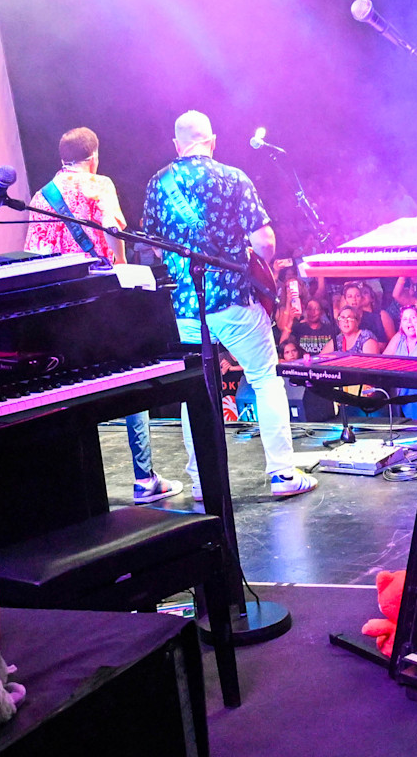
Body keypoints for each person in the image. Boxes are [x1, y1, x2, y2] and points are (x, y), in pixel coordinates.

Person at [138, 111, 313, 500]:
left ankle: (202, 483)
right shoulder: (234, 178)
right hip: (233, 299)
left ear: (177, 145)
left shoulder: (158, 183)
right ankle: (283, 475)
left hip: (185, 305)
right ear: (212, 141)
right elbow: (265, 242)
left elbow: (152, 247)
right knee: (265, 378)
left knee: (196, 391)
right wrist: (256, 261)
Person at [23, 127, 175, 504]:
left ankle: (77, 490)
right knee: (133, 378)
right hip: (103, 304)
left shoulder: (41, 196)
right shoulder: (98, 184)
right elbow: (111, 229)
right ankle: (144, 479)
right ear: (93, 156)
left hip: (62, 313)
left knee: (73, 391)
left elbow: (32, 258)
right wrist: (120, 264)